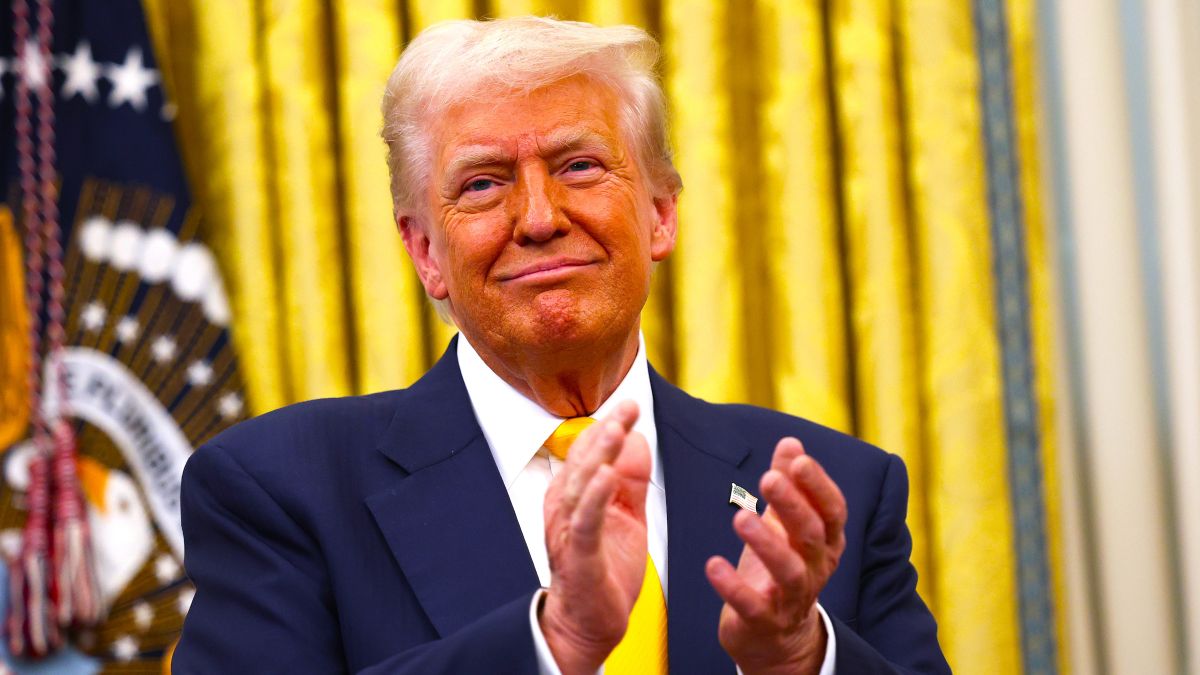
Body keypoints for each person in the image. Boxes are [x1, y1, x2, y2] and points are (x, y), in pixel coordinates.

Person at [173, 16, 949, 675]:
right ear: (425, 253)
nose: (539, 217)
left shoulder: (827, 492)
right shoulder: (282, 489)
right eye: (482, 183)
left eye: (580, 166)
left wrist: (796, 656)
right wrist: (555, 642)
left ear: (660, 215)